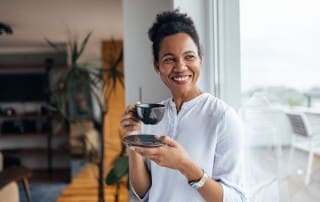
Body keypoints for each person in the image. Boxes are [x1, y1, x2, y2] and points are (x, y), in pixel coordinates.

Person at [120, 9, 247, 202]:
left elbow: (236, 199)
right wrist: (134, 140)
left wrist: (185, 165)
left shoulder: (223, 117)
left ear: (200, 60)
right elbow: (144, 194)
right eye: (169, 59)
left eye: (189, 57)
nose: (180, 67)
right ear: (157, 66)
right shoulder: (152, 116)